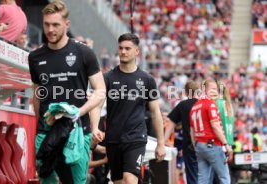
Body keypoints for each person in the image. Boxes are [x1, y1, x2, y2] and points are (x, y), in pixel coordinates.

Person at [28, 1, 105, 183]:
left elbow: (100, 90)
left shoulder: (84, 52)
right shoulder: (35, 57)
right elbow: (37, 94)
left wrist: (80, 112)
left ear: (66, 25)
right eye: (46, 24)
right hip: (46, 131)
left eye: (56, 25)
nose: (50, 29)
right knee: (47, 180)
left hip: (77, 132)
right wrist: (41, 123)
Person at [102, 33, 166, 184]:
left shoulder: (147, 80)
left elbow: (156, 113)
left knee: (130, 180)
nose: (123, 52)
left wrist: (161, 144)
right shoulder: (108, 77)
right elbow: (97, 105)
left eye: (127, 48)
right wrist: (94, 128)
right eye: (121, 48)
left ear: (137, 51)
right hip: (113, 139)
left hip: (136, 138)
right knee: (118, 182)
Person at [190, 79, 233, 184]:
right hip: (212, 144)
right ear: (204, 89)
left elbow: (192, 131)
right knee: (224, 178)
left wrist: (196, 145)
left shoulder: (195, 106)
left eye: (216, 89)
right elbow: (215, 126)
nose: (215, 91)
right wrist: (226, 144)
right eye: (213, 89)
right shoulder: (210, 104)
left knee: (202, 180)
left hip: (200, 145)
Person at [165, 80, 199, 184]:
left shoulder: (183, 105)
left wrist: (163, 141)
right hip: (206, 144)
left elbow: (171, 122)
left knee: (192, 176)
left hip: (189, 146)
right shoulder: (205, 104)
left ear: (186, 92)